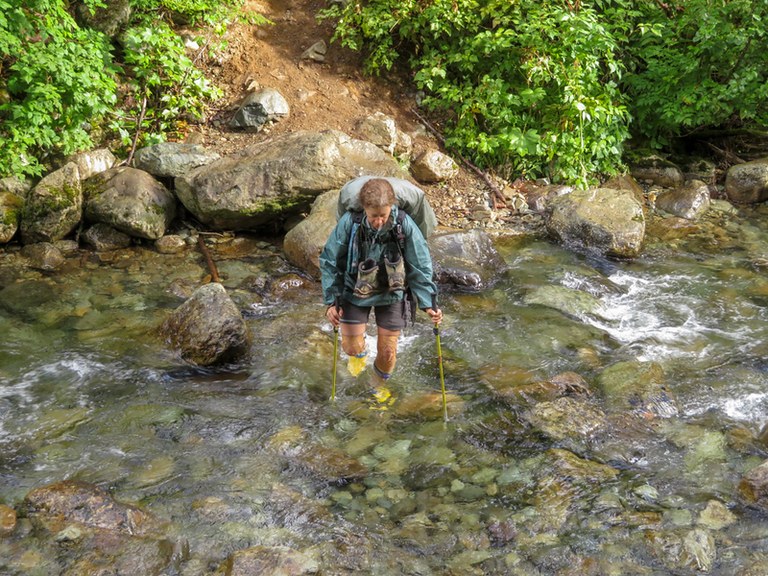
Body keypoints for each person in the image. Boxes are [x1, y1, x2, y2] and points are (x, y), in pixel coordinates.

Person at [320, 178, 443, 400]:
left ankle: (377, 386)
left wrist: (428, 304)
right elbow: (330, 260)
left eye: (383, 216)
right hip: (354, 288)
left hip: (392, 290)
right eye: (373, 216)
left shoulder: (404, 224)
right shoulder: (350, 222)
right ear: (364, 209)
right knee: (351, 348)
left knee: (387, 352)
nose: (378, 222)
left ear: (391, 207)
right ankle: (360, 355)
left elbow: (420, 264)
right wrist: (331, 301)